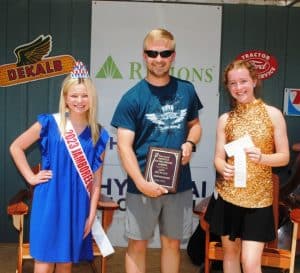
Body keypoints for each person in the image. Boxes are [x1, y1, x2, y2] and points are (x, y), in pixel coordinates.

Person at [111, 28, 203, 273]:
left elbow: (195, 126)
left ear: (173, 56)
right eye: (153, 53)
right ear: (144, 55)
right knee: (137, 245)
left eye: (165, 53)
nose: (159, 59)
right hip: (141, 186)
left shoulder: (187, 90)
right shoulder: (132, 98)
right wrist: (141, 183)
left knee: (172, 244)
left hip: (179, 184)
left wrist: (190, 144)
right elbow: (123, 146)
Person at [9, 61, 109, 273]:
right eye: (74, 95)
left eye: (84, 95)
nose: (79, 101)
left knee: (65, 263)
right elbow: (16, 147)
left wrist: (91, 215)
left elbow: (96, 182)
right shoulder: (49, 123)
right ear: (65, 98)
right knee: (43, 262)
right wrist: (30, 177)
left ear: (92, 98)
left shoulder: (98, 134)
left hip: (77, 205)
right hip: (49, 201)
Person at [204, 59, 290, 273]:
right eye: (233, 83)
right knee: (230, 256)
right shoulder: (225, 119)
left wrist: (262, 158)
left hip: (259, 202)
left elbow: (284, 157)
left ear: (254, 81)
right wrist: (222, 166)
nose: (238, 87)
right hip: (228, 199)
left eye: (243, 81)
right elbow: (217, 157)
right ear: (228, 87)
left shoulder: (273, 115)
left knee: (251, 263)